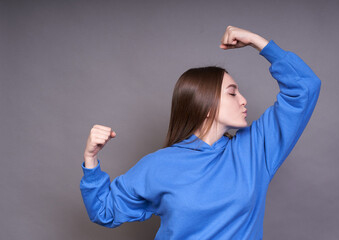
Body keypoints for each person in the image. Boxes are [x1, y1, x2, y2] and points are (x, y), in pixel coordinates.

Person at [80, 25, 321, 239]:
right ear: (205, 106)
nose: (244, 100)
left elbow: (305, 87)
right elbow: (105, 212)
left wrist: (258, 42)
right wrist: (90, 160)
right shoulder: (158, 165)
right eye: (232, 92)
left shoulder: (254, 151)